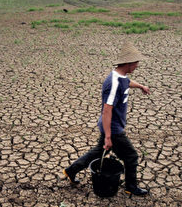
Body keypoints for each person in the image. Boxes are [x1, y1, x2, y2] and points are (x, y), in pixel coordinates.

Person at [63, 42, 151, 196]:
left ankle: (71, 171)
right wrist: (109, 136)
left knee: (98, 152)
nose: (137, 66)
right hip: (114, 129)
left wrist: (141, 86)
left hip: (112, 127)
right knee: (131, 156)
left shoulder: (121, 77)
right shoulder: (113, 83)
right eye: (136, 63)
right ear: (129, 63)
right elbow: (106, 111)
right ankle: (131, 187)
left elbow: (127, 83)